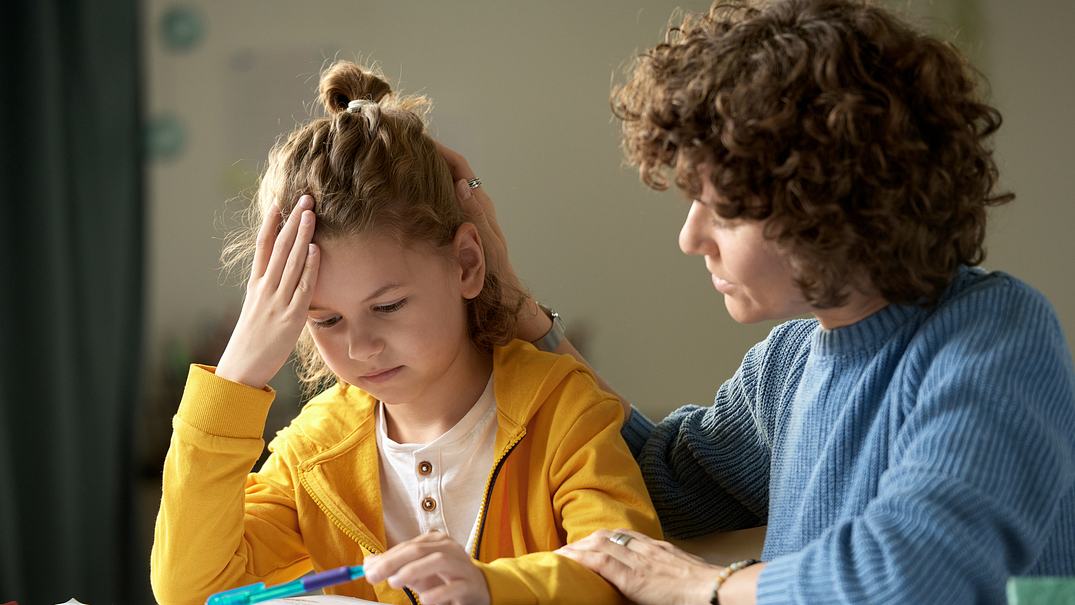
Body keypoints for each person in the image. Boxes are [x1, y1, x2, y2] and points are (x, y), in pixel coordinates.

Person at [440, 0, 1075, 603]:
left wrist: (706, 587)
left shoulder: (996, 336)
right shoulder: (790, 363)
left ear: (828, 203)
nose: (690, 238)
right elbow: (654, 481)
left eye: (724, 209)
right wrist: (510, 297)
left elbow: (913, 575)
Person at [149, 60, 661, 605]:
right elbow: (189, 591)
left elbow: (631, 576)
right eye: (325, 320)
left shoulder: (562, 408)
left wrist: (490, 588)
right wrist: (237, 375)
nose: (360, 346)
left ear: (466, 263)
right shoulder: (313, 452)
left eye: (388, 305)